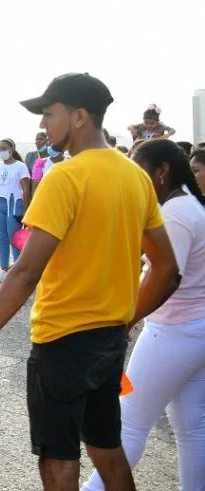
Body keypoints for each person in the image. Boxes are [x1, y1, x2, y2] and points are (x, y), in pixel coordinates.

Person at [0, 73, 180, 491]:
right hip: (108, 341)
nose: (43, 125)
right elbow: (166, 267)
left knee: (58, 459)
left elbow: (25, 271)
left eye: (49, 114)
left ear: (79, 117)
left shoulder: (65, 177)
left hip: (63, 338)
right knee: (106, 447)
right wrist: (126, 319)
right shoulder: (135, 177)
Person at [81, 139, 205, 491]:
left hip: (173, 331)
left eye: (139, 169)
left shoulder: (175, 213)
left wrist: (125, 320)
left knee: (129, 425)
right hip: (193, 330)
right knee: (192, 426)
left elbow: (165, 276)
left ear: (162, 171)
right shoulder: (189, 205)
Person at [0, 139, 31, 284]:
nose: (1, 151)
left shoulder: (21, 166)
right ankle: (4, 269)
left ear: (11, 149)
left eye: (4, 148)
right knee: (2, 237)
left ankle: (18, 273)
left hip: (14, 203)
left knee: (15, 238)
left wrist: (26, 210)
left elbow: (25, 188)